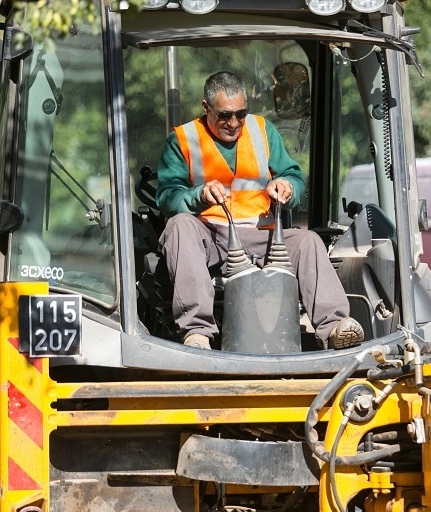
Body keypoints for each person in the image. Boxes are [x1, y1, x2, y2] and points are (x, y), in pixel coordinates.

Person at [156, 71, 364, 350]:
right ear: (206, 108)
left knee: (308, 241)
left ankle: (335, 326)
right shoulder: (182, 139)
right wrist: (199, 195)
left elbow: (293, 174)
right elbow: (167, 198)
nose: (234, 123)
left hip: (263, 234)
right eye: (224, 115)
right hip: (210, 237)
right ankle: (197, 332)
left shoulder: (262, 130)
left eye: (241, 114)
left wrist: (287, 187)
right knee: (179, 225)